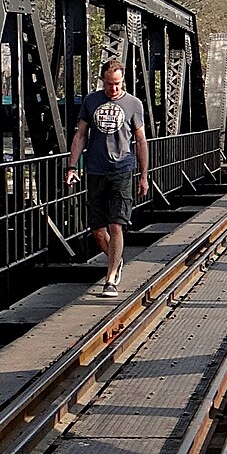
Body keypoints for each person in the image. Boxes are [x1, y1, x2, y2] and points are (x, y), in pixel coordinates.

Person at [65, 60, 150, 298]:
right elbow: (80, 135)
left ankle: (110, 278)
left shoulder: (133, 104)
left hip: (122, 169)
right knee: (97, 229)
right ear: (103, 81)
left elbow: (141, 140)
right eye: (109, 83)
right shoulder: (91, 102)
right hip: (95, 170)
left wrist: (143, 176)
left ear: (123, 81)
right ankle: (117, 259)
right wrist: (72, 167)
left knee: (116, 224)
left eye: (118, 83)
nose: (113, 88)